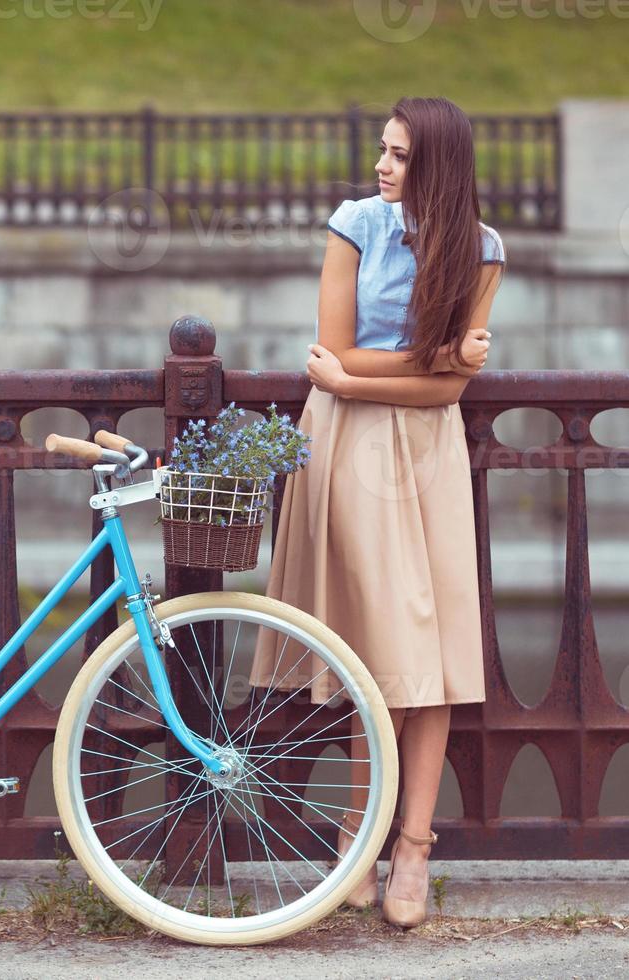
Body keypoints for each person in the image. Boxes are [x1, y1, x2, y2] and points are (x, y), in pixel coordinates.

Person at [248, 96, 505, 928]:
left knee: (424, 649)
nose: (382, 166)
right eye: (382, 150)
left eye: (399, 155)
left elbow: (453, 389)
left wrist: (382, 374)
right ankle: (361, 843)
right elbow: (334, 351)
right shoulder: (355, 224)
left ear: (437, 165)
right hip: (351, 441)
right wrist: (408, 365)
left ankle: (414, 848)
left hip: (429, 452)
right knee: (369, 651)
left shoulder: (481, 249)